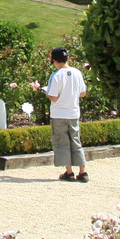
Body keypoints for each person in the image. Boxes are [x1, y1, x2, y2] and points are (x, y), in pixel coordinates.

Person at [45, 47, 89, 181]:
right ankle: (83, 171)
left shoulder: (56, 75)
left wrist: (46, 92)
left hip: (59, 113)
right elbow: (83, 93)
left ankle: (69, 172)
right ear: (68, 58)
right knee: (76, 141)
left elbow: (53, 97)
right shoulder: (77, 73)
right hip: (73, 112)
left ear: (54, 61)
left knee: (62, 142)